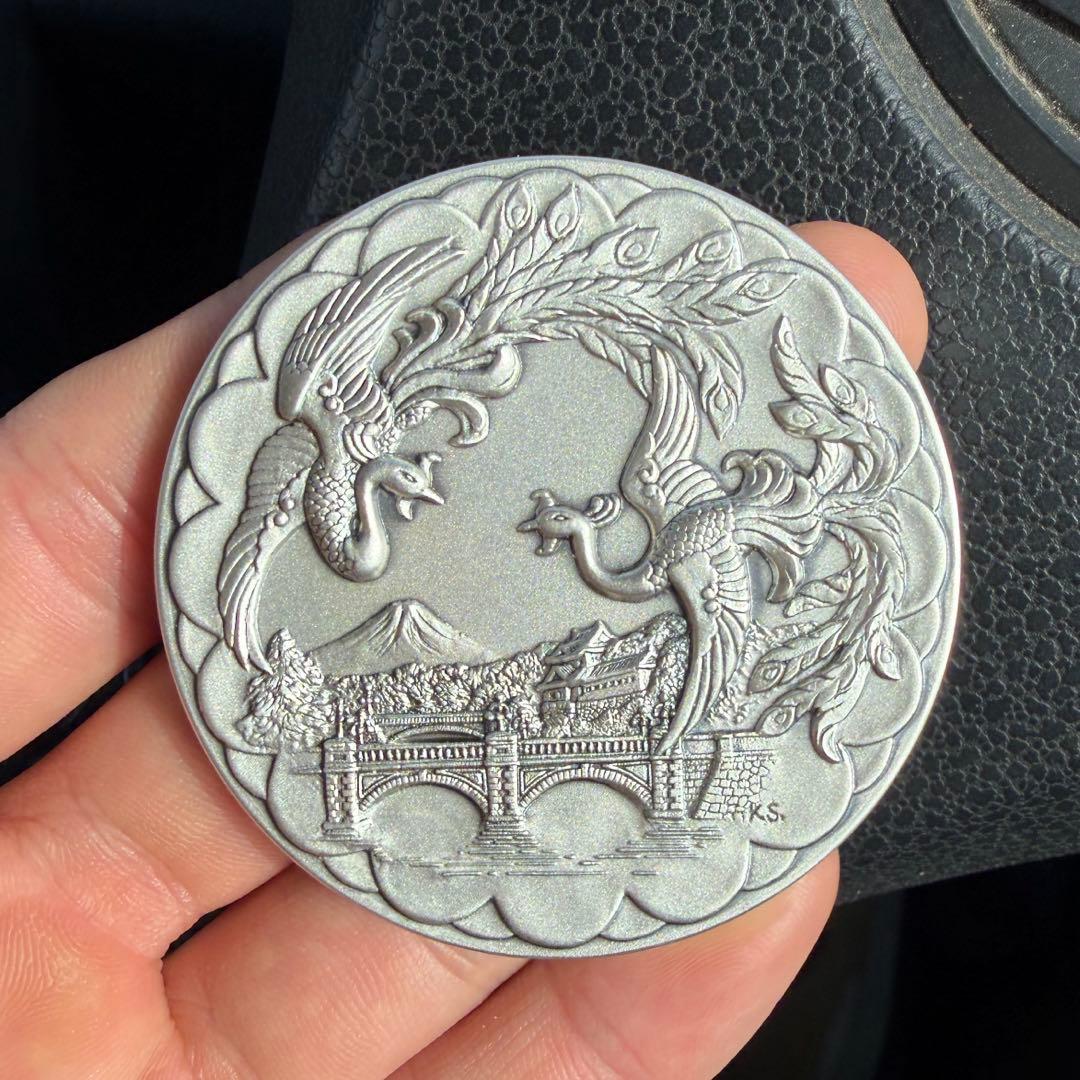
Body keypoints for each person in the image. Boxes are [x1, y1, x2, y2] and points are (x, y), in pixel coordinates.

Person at [0, 220, 928, 1078]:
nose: (423, 493)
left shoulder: (677, 538)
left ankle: (682, 748)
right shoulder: (345, 459)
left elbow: (676, 604)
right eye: (407, 478)